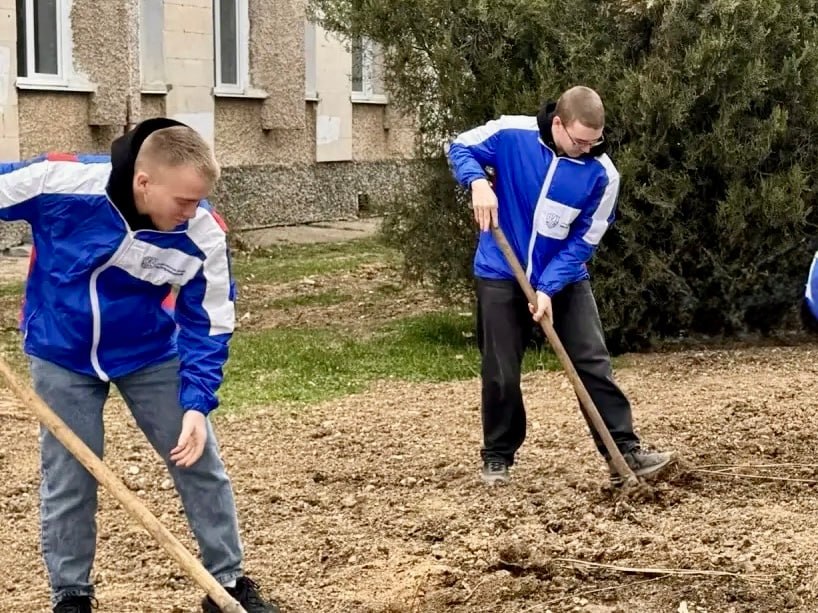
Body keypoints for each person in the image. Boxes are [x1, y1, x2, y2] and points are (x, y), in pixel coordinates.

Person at [0, 118, 279, 613]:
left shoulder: (202, 233)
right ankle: (71, 594)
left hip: (149, 352)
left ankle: (228, 583)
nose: (193, 212)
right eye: (184, 201)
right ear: (144, 182)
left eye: (199, 201)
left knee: (200, 461)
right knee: (70, 474)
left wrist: (196, 403)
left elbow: (209, 321)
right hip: (60, 351)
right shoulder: (60, 182)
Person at [446, 85, 678, 486]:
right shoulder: (511, 134)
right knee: (500, 371)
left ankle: (623, 451)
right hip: (501, 271)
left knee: (593, 363)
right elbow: (458, 147)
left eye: (595, 141)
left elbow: (584, 241)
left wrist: (548, 288)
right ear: (558, 124)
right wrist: (477, 183)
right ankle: (498, 455)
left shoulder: (603, 175)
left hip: (564, 277)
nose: (587, 148)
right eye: (580, 140)